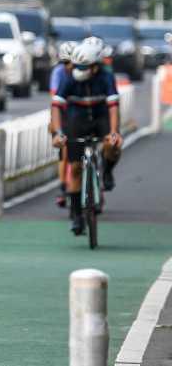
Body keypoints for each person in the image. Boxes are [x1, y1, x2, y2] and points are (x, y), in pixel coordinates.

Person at [51, 39, 123, 235]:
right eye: (77, 66)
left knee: (113, 144)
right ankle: (76, 216)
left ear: (94, 67)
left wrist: (114, 132)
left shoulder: (106, 78)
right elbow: (56, 106)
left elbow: (114, 106)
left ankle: (107, 171)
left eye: (84, 67)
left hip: (101, 118)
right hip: (77, 120)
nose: (78, 70)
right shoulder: (68, 78)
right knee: (74, 168)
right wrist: (58, 133)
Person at [50, 41, 78, 208]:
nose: (70, 67)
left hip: (82, 113)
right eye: (66, 63)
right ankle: (62, 187)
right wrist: (53, 122)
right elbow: (54, 100)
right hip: (65, 113)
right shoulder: (58, 73)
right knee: (65, 150)